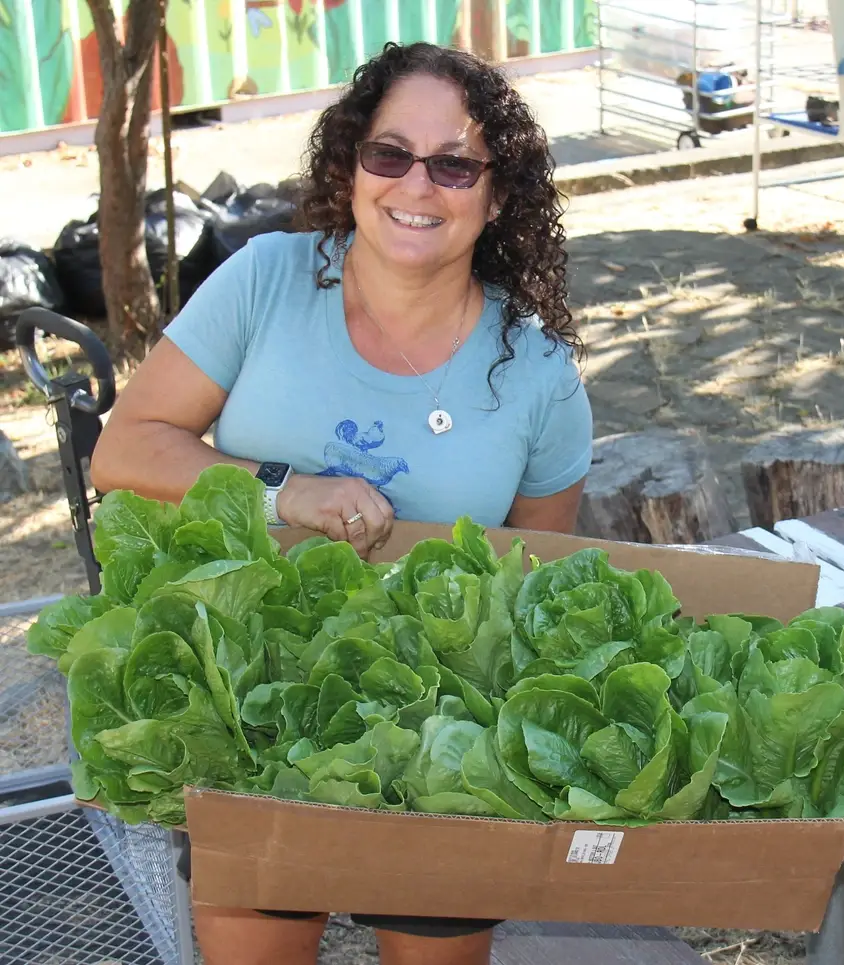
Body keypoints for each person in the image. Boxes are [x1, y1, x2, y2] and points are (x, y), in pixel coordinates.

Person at [90, 40, 593, 965]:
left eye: (455, 164)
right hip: (250, 710)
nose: (417, 184)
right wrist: (285, 491)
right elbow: (123, 450)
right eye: (390, 153)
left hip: (443, 745)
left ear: (498, 193)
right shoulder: (266, 282)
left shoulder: (539, 374)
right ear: (350, 164)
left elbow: (539, 586)